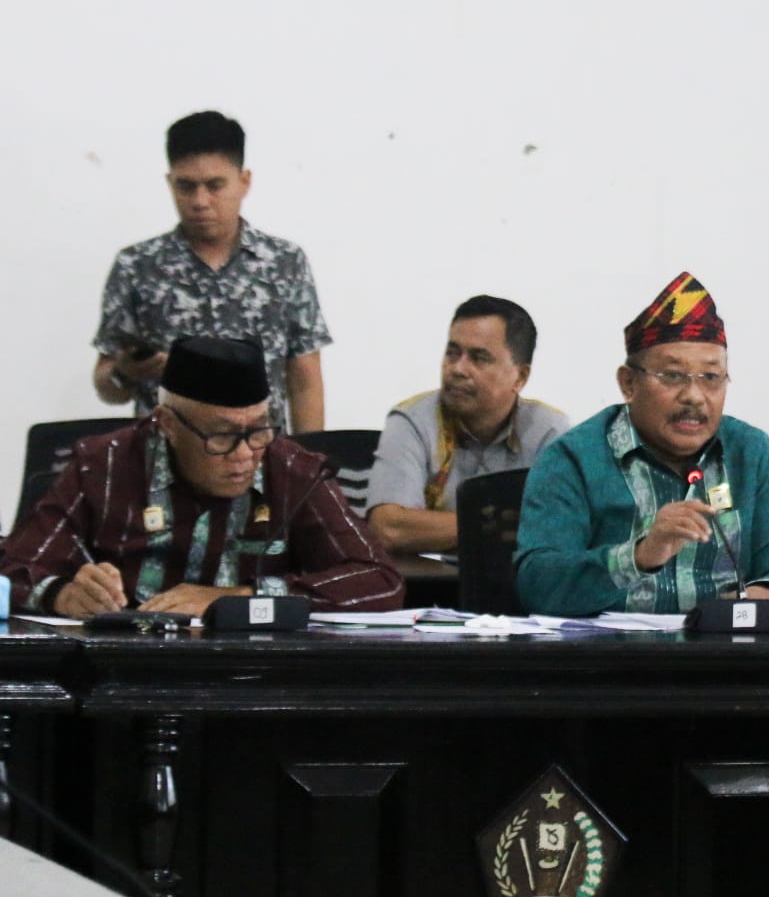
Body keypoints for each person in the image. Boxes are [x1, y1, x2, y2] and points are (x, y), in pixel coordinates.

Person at [3, 337, 402, 617]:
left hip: (256, 678)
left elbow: (379, 581)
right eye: (222, 436)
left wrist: (241, 598)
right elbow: (13, 570)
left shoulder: (293, 471)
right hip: (125, 672)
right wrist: (60, 594)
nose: (244, 455)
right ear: (167, 424)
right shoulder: (103, 465)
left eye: (258, 431)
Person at [514, 273, 769, 617]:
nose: (694, 396)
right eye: (672, 376)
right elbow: (538, 586)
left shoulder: (750, 452)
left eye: (711, 377)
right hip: (611, 650)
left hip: (724, 647)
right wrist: (640, 555)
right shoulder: (573, 457)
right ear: (628, 384)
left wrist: (760, 598)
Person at [92, 110, 332, 433]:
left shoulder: (285, 263)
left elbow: (304, 379)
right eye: (186, 186)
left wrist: (308, 459)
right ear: (169, 182)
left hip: (259, 454)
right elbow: (107, 385)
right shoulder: (137, 266)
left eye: (215, 185)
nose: (200, 201)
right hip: (164, 457)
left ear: (244, 181)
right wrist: (125, 372)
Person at [366, 296, 569, 555]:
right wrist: (499, 525)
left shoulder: (549, 432)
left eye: (479, 358)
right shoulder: (412, 420)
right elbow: (389, 528)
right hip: (431, 578)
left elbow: (563, 529)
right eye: (452, 353)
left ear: (520, 376)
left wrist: (441, 529)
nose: (458, 369)